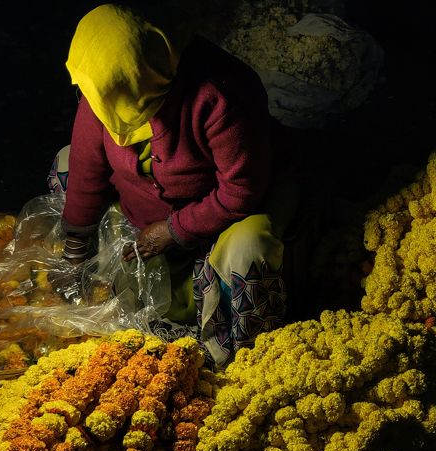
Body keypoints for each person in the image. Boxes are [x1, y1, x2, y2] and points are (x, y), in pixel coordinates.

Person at [50, 3, 299, 368]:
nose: (98, 104)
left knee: (249, 245)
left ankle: (242, 355)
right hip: (147, 211)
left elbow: (240, 192)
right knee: (67, 162)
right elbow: (88, 165)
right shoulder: (105, 89)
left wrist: (172, 230)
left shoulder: (221, 93)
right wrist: (76, 248)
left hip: (224, 210)